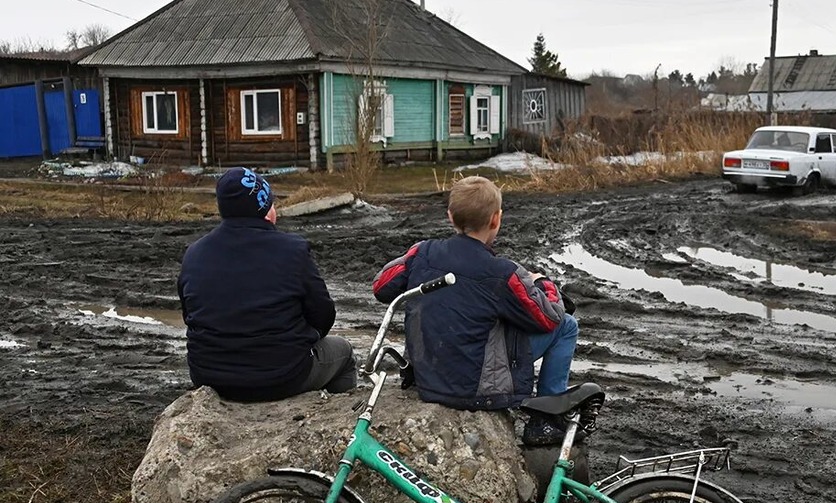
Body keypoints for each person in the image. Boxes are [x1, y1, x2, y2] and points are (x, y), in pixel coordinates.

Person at [372, 176, 578, 445]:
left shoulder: (422, 253)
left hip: (425, 378)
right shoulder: (503, 273)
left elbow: (381, 285)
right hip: (478, 391)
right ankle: (546, 420)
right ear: (496, 219)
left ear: (450, 216)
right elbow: (549, 318)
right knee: (567, 326)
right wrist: (543, 283)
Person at [178, 167, 356, 402]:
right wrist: (303, 338)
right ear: (263, 209)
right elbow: (323, 315)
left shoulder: (194, 253)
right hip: (282, 377)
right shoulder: (292, 250)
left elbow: (190, 314)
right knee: (343, 352)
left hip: (209, 376)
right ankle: (340, 419)